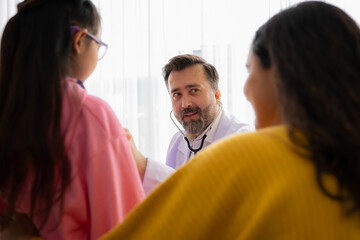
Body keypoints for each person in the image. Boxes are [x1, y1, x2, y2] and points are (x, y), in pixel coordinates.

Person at [3, 1, 360, 239]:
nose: (248, 89)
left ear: (286, 76)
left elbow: (151, 227)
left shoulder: (249, 147)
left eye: (252, 71)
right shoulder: (339, 157)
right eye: (176, 94)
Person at [0, 0, 144, 240]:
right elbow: (130, 229)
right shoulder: (90, 114)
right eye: (99, 46)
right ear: (79, 41)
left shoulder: (8, 111)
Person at [129, 54, 252, 194]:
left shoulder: (242, 138)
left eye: (194, 91)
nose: (185, 104)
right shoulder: (177, 142)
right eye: (177, 94)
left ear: (217, 95)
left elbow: (209, 197)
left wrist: (145, 166)